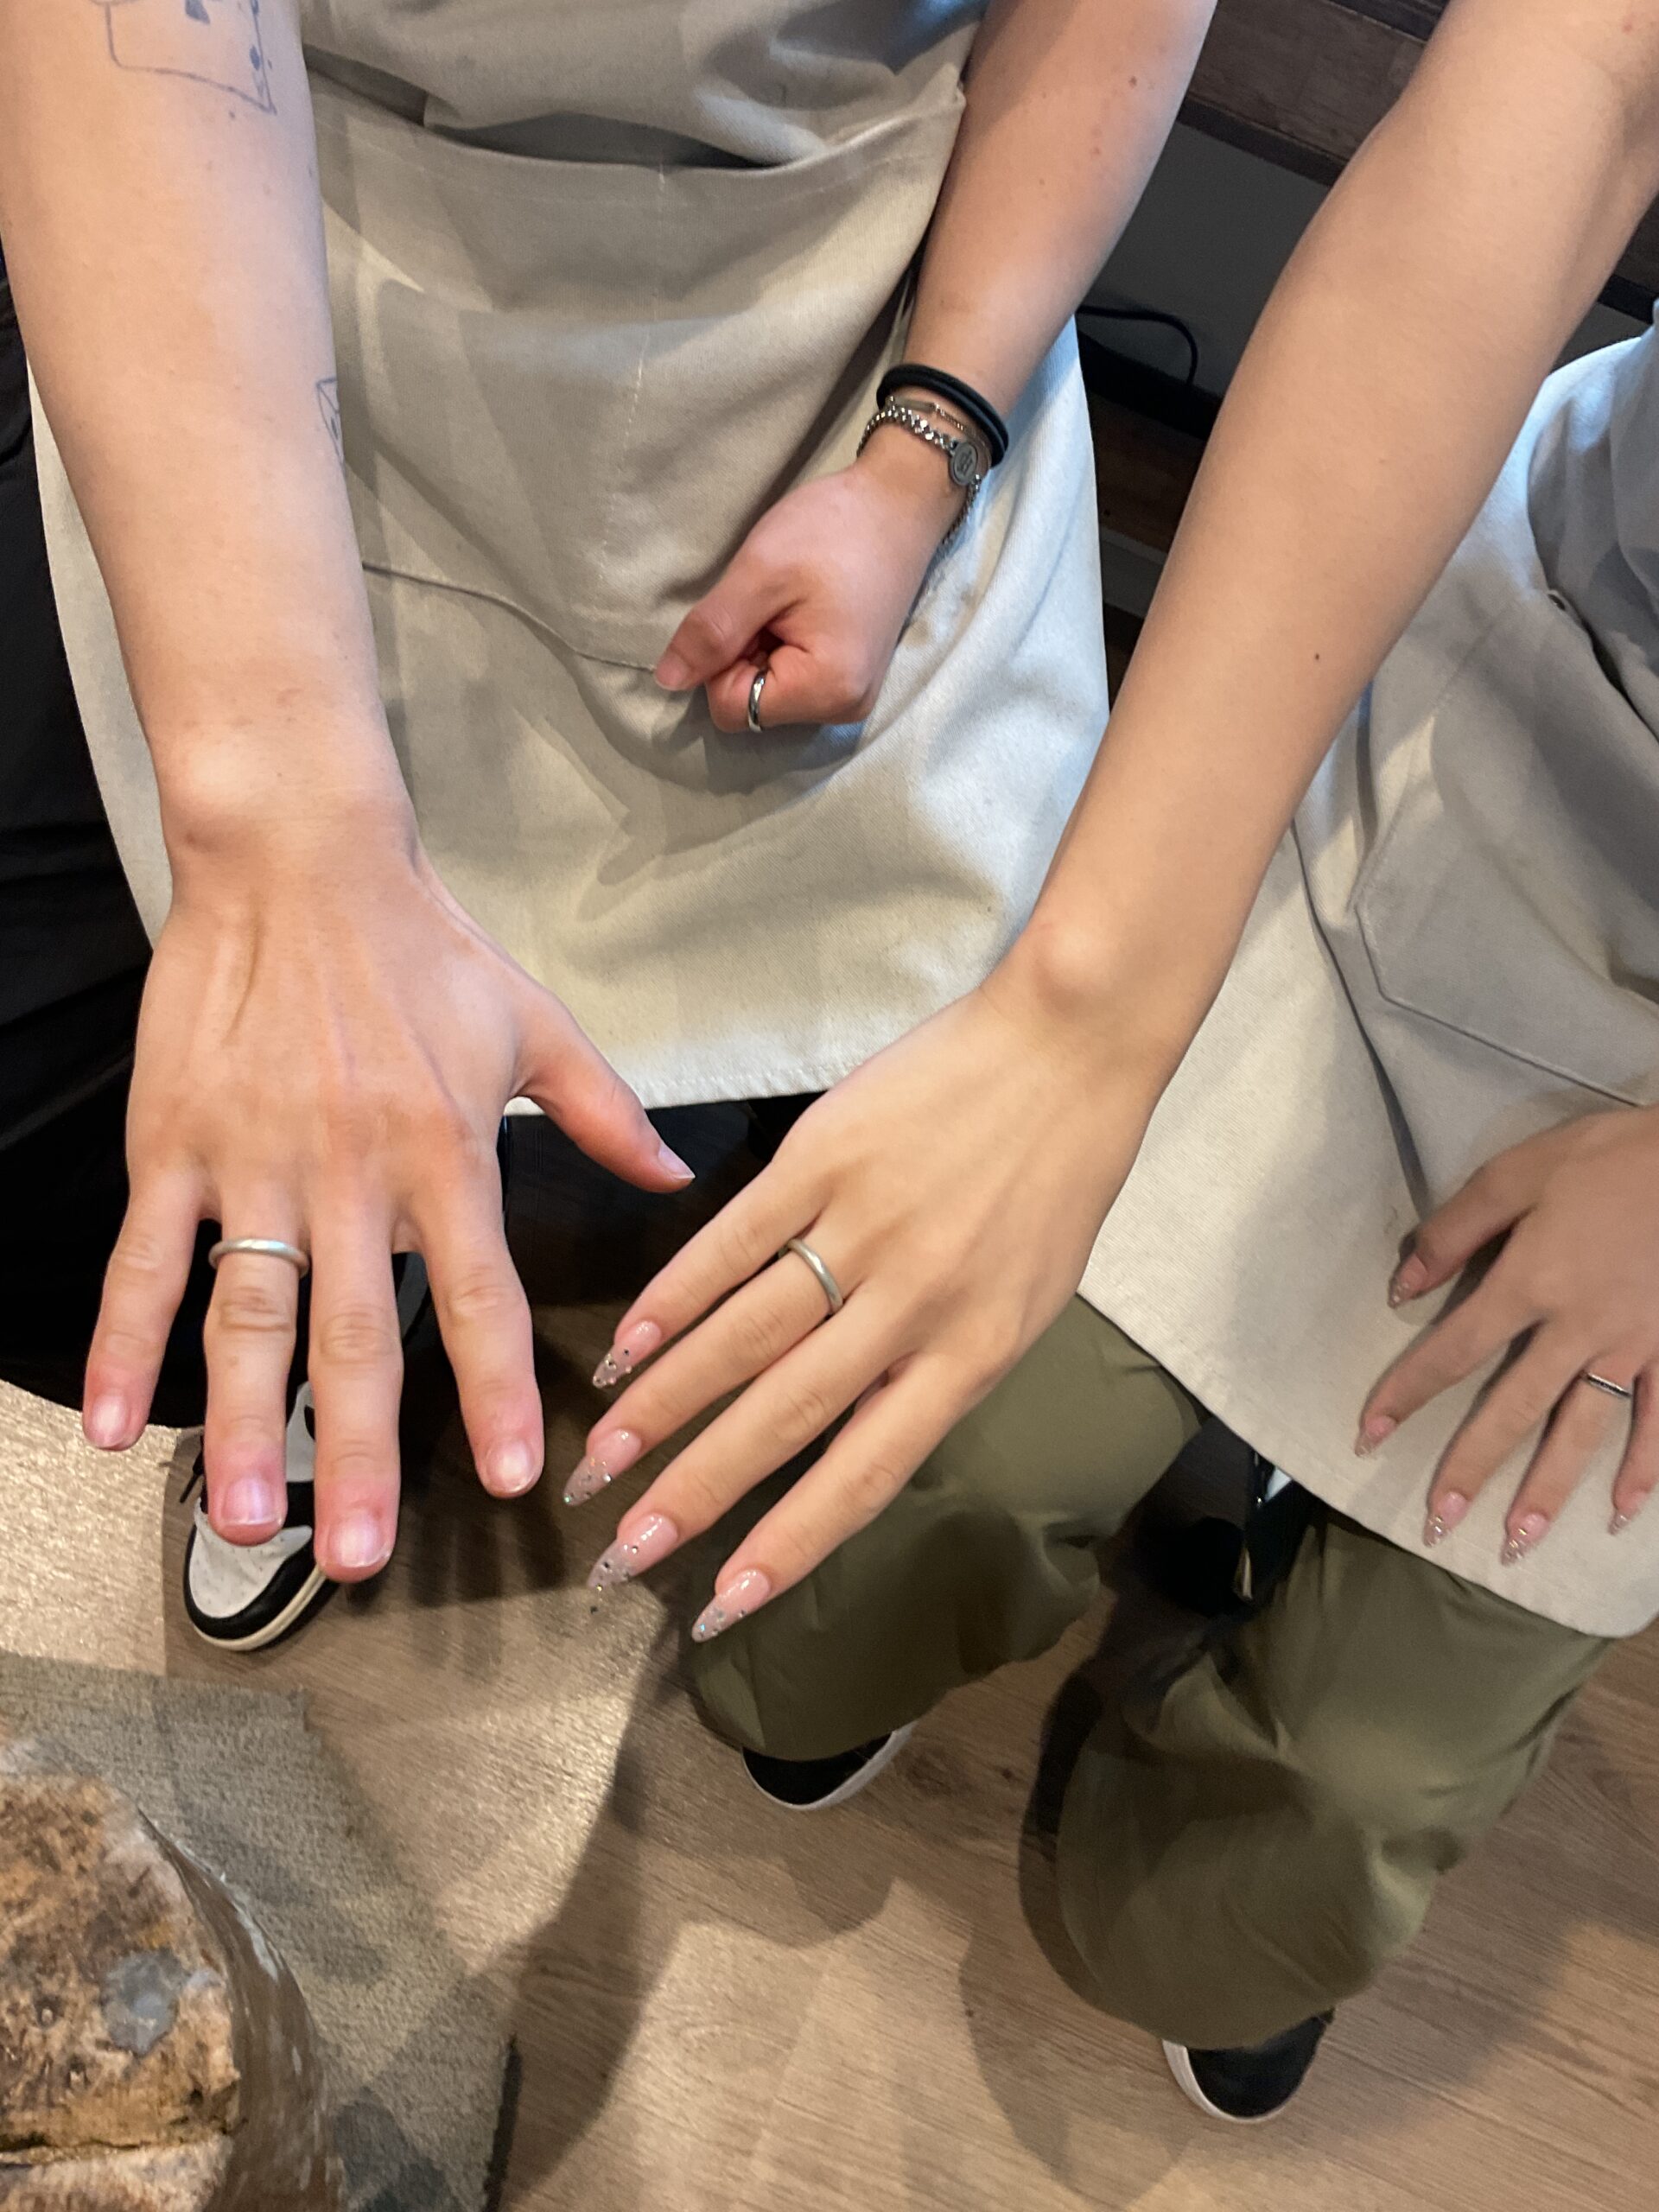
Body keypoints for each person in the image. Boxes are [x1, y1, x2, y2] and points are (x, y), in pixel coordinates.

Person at [561, 0, 1659, 2120]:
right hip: (1506, 679)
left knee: (1361, 1770)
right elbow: (1579, 77)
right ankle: (829, 1663)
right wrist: (1084, 1002)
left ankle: (1198, 1896)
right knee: (977, 1420)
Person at [0, 0, 1217, 1643]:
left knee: (913, 1077)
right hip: (269, 253)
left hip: (855, 317)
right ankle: (340, 1243)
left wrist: (924, 446)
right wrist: (278, 828)